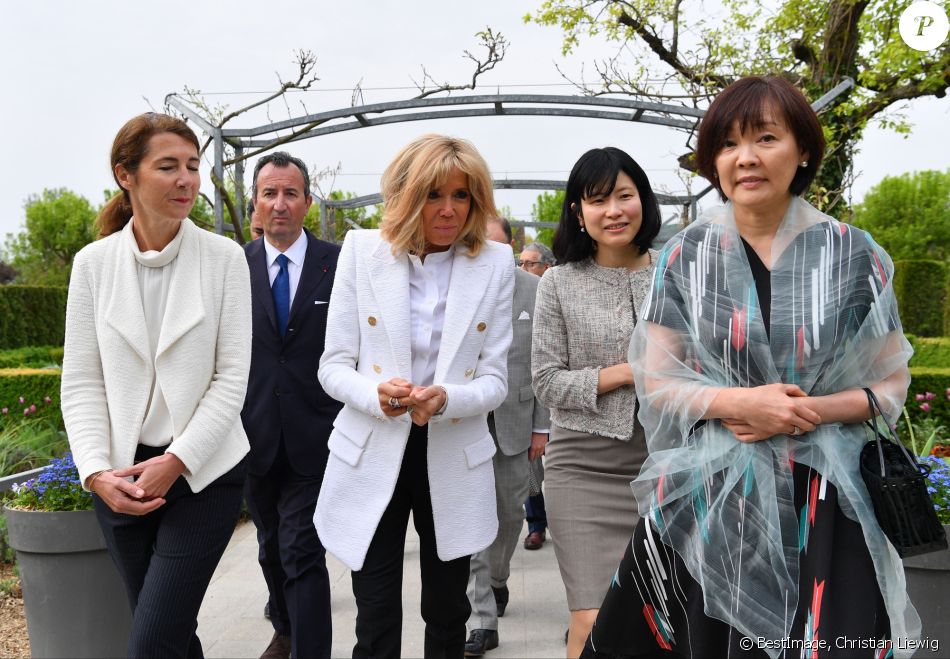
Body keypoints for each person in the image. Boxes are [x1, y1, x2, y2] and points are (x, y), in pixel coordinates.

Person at [583, 76, 918, 659]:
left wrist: (801, 412)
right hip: (712, 494)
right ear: (714, 160)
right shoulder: (687, 257)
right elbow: (658, 379)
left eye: (766, 137)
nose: (747, 158)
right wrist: (739, 404)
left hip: (825, 496)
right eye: (729, 143)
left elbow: (890, 385)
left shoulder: (853, 254)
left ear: (804, 150)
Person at [315, 133, 515, 658]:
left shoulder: (495, 263)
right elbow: (333, 367)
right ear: (405, 195)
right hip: (374, 447)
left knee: (448, 612)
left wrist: (446, 398)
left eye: (462, 195)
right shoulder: (362, 251)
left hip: (451, 451)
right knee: (375, 609)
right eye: (433, 195)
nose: (448, 210)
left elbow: (495, 381)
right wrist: (373, 393)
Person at [61, 113, 251, 658]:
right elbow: (81, 382)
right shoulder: (92, 265)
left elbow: (231, 378)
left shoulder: (224, 259)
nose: (187, 180)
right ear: (127, 175)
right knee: (170, 634)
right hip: (120, 480)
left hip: (203, 473)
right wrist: (96, 472)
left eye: (193, 166)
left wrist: (178, 459)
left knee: (150, 641)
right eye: (168, 166)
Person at [531, 147, 661, 658]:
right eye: (598, 199)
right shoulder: (558, 282)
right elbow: (546, 382)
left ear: (643, 202)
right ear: (577, 211)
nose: (614, 210)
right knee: (591, 619)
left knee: (663, 619)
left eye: (625, 196)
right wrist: (629, 372)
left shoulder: (678, 272)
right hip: (582, 469)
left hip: (670, 466)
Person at [242, 152, 342, 659]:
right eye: (269, 194)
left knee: (302, 549)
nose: (279, 204)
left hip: (318, 436)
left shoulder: (339, 263)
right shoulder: (234, 268)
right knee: (269, 549)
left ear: (307, 201)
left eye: (290, 193)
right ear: (255, 203)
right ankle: (284, 630)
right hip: (253, 437)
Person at [464, 217, 550, 657]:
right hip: (464, 423)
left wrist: (542, 426)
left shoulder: (535, 291)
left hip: (516, 423)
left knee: (509, 514)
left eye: (496, 244)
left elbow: (546, 362)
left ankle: (497, 577)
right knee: (474, 517)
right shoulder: (458, 284)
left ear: (511, 247)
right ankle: (481, 617)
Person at [519, 241, 556, 552]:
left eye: (530, 263)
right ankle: (536, 526)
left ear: (547, 267)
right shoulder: (520, 298)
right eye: (522, 263)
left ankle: (564, 522)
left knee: (557, 473)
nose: (524, 269)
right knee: (531, 469)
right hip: (529, 399)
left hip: (562, 401)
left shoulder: (559, 297)